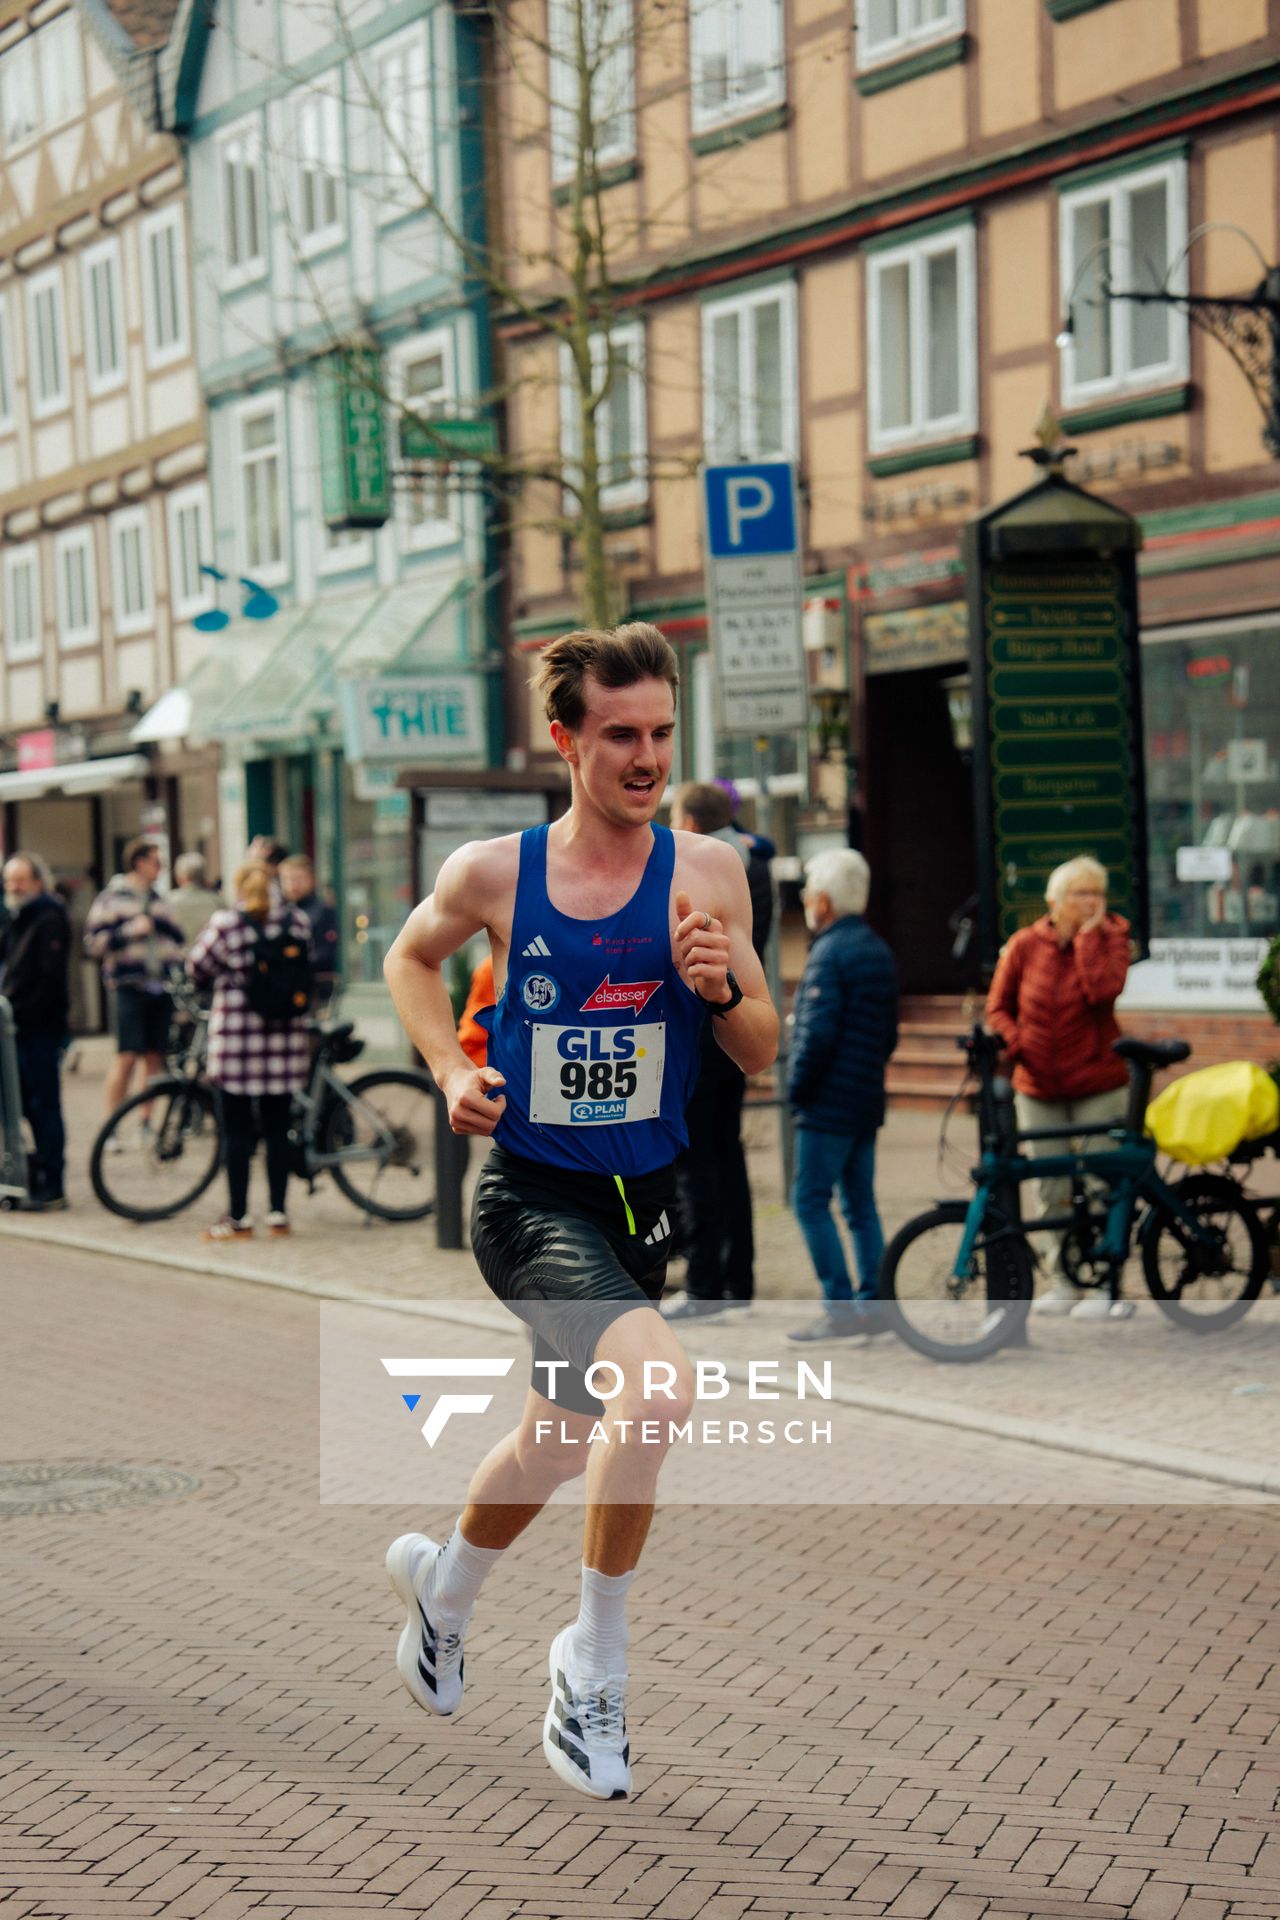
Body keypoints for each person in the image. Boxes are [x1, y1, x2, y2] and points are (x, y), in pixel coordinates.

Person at [382, 622, 777, 1801]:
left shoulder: (708, 874)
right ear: (566, 739)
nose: (646, 756)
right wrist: (451, 1074)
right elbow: (412, 960)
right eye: (620, 736)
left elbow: (758, 1049)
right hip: (526, 1196)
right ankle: (588, 1662)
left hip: (642, 1205)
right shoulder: (494, 874)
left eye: (661, 732)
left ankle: (441, 1594)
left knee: (559, 1440)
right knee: (657, 1387)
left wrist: (715, 989)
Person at [984, 855, 1132, 1320]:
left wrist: (1088, 938)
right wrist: (1018, 1040)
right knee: (1051, 1187)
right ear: (1054, 901)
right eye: (1080, 894)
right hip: (1039, 1086)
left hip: (1097, 1083)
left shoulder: (1113, 938)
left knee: (1101, 1180)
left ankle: (1108, 1286)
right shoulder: (1026, 945)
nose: (1090, 902)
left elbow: (1102, 992)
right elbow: (998, 1007)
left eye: (1097, 894)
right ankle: (1063, 1281)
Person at [786, 849, 898, 1344]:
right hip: (865, 1097)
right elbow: (889, 1033)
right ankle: (875, 1303)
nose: (807, 902)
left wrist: (797, 1089)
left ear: (824, 902)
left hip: (827, 1102)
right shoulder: (877, 949)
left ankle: (838, 1307)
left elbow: (816, 1035)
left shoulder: (828, 953)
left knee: (809, 1201)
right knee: (860, 1205)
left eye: (810, 894)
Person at [662, 782, 759, 1320]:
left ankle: (704, 1284)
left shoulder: (715, 869)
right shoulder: (753, 859)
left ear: (692, 823)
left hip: (704, 1036)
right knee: (727, 1159)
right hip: (733, 1032)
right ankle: (737, 1280)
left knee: (696, 1163)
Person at [187, 860, 312, 1241]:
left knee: (236, 1134)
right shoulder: (297, 921)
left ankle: (239, 1219)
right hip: (286, 1044)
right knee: (277, 1131)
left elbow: (197, 966)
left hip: (237, 1046)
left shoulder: (227, 924)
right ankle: (278, 1215)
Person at [84, 839, 185, 1117]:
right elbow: (93, 944)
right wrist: (128, 931)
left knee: (154, 1058)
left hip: (160, 987)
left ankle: (145, 1122)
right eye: (156, 862)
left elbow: (178, 939)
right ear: (139, 863)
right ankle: (113, 1122)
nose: (160, 868)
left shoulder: (160, 899)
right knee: (127, 1056)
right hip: (128, 986)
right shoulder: (111, 898)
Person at [0, 852, 71, 1209]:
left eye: (20, 880)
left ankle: (52, 1181)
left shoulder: (48, 916)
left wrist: (17, 1010)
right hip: (16, 1028)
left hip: (36, 1028)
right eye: (9, 880)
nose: (13, 886)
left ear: (37, 882)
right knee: (21, 1103)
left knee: (42, 1104)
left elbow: (47, 979)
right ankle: (30, 1174)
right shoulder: (17, 916)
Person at [278, 854, 340, 1006]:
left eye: (298, 879)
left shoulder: (323, 911)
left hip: (313, 991)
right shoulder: (279, 913)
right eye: (287, 879)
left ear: (312, 880)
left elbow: (326, 953)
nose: (293, 885)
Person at [166, 852, 224, 948]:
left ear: (181, 876)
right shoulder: (218, 901)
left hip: (179, 957)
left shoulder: (169, 900)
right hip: (209, 956)